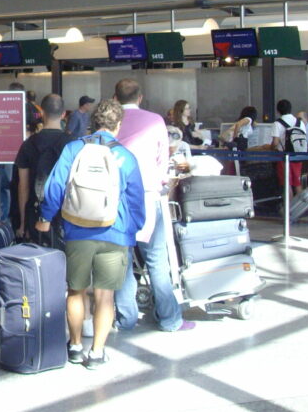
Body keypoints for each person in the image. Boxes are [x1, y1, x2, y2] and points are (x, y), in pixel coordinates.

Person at [37, 98, 145, 369]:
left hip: (77, 229)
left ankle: (74, 346)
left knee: (75, 291)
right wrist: (132, 229)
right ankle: (96, 353)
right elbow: (135, 201)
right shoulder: (126, 156)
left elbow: (55, 187)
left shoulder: (74, 148)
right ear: (118, 125)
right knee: (105, 295)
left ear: (93, 122)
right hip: (115, 232)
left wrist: (45, 218)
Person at [113, 79, 194, 334]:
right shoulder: (155, 120)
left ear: (115, 98)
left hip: (116, 199)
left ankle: (125, 319)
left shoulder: (110, 122)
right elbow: (163, 160)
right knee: (157, 260)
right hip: (147, 197)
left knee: (122, 260)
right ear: (140, 97)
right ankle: (170, 320)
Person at [13, 94, 72, 243]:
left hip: (36, 212)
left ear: (41, 113)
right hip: (66, 214)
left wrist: (23, 222)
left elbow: (23, 187)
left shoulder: (28, 144)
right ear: (64, 114)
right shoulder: (72, 145)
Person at [271, 99, 307, 196]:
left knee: (287, 184)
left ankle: (289, 209)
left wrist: (270, 147)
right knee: (297, 183)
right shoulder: (300, 122)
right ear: (291, 109)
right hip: (298, 156)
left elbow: (275, 143)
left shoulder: (277, 123)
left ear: (278, 111)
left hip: (283, 156)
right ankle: (300, 208)